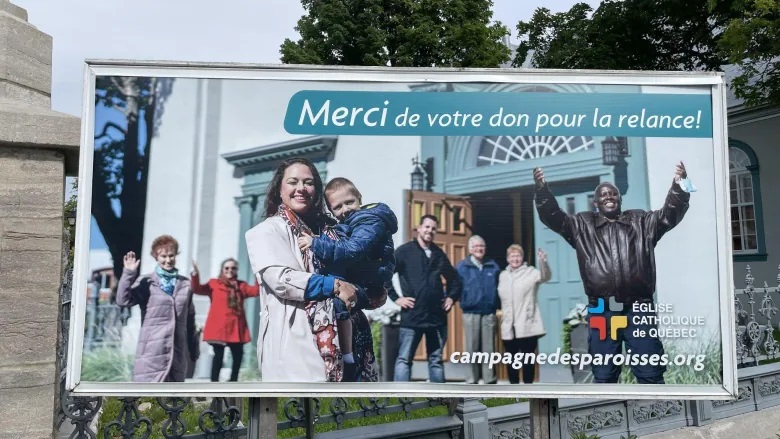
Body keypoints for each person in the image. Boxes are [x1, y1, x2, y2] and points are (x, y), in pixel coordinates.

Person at [533, 162, 692, 384]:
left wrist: (679, 185)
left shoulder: (641, 222)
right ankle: (607, 414)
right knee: (604, 372)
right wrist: (542, 191)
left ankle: (655, 410)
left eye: (613, 194)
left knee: (650, 370)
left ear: (619, 199)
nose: (609, 197)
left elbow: (669, 215)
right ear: (596, 202)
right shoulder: (581, 226)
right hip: (601, 308)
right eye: (603, 195)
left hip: (639, 306)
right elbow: (553, 217)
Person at [244, 158, 378, 382]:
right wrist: (334, 286)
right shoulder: (265, 232)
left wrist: (372, 288)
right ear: (279, 189)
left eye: (308, 182)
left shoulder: (333, 230)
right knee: (303, 410)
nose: (301, 189)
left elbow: (354, 269)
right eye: (293, 181)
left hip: (350, 335)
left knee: (350, 412)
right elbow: (281, 280)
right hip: (297, 339)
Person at [297, 177, 398, 381]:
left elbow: (353, 250)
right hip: (364, 280)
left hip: (368, 284)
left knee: (337, 304)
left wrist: (316, 244)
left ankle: (348, 360)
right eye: (338, 207)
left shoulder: (369, 221)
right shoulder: (351, 223)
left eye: (349, 202)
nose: (345, 209)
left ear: (359, 198)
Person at [387, 214, 463, 383]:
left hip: (436, 317)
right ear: (419, 228)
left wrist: (451, 297)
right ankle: (401, 397)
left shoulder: (438, 253)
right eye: (427, 227)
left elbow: (454, 279)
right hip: (412, 316)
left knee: (435, 360)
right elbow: (385, 274)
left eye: (433, 228)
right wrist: (396, 298)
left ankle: (439, 399)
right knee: (404, 359)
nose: (430, 230)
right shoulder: (404, 252)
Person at [116, 235, 197, 383]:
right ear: (156, 257)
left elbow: (190, 320)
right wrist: (128, 273)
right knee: (147, 402)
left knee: (173, 403)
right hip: (152, 353)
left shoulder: (185, 285)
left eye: (171, 255)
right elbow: (123, 300)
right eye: (163, 256)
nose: (168, 260)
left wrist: (193, 349)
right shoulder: (146, 282)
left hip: (176, 354)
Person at [190, 257, 259, 382]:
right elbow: (197, 289)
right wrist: (195, 274)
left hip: (236, 328)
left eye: (233, 268)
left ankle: (233, 383)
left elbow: (255, 291)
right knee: (219, 356)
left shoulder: (241, 285)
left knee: (238, 356)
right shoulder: (214, 283)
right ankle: (214, 385)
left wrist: (258, 273)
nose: (230, 270)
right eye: (227, 268)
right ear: (222, 269)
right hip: (219, 329)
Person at [497, 244, 551, 384]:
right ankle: (514, 390)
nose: (515, 259)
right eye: (512, 256)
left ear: (522, 257)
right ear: (508, 258)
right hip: (509, 325)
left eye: (518, 256)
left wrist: (543, 262)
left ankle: (529, 389)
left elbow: (545, 277)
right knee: (511, 360)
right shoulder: (503, 275)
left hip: (527, 323)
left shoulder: (531, 272)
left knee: (527, 360)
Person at [455, 235, 501, 385]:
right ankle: (471, 380)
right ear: (470, 249)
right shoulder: (462, 267)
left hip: (489, 312)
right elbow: (455, 288)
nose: (479, 249)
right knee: (472, 348)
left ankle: (489, 380)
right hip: (470, 312)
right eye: (476, 246)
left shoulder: (493, 266)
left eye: (481, 246)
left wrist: (499, 307)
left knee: (489, 349)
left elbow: (500, 288)